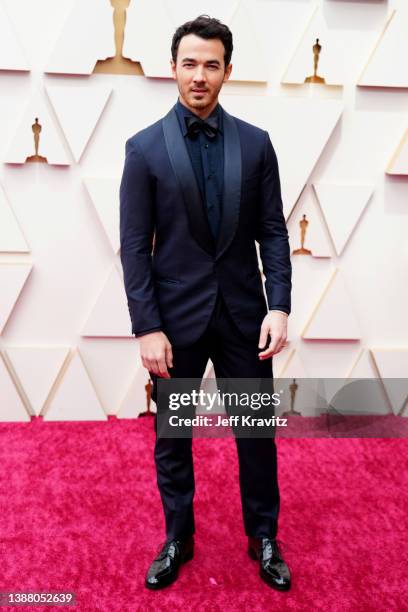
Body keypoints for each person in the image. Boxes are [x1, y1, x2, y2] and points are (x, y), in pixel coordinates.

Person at [119, 15, 292, 592]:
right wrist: (146, 326)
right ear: (173, 68)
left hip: (246, 318)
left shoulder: (257, 143)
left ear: (227, 72)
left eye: (211, 65)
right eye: (189, 63)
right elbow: (133, 247)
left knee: (255, 435)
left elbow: (272, 230)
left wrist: (280, 305)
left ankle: (263, 536)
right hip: (174, 322)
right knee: (173, 438)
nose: (199, 75)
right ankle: (178, 537)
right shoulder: (143, 149)